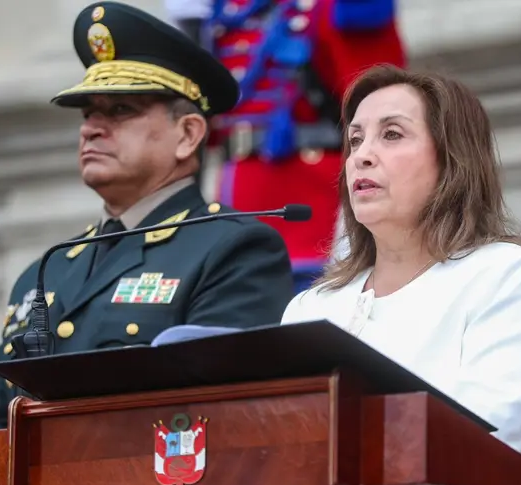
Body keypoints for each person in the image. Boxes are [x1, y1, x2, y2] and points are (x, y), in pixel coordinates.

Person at [0, 2, 296, 485]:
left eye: (120, 110)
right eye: (88, 113)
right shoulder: (48, 271)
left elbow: (205, 420)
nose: (91, 127)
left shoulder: (233, 250)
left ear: (188, 133)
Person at [280, 63, 521, 485]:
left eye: (392, 135)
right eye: (355, 139)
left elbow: (490, 432)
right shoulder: (310, 309)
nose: (361, 155)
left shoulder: (505, 275)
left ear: (451, 159)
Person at [167, 0, 407, 291]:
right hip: (236, 197)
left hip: (313, 202)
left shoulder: (327, 7)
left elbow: (377, 103)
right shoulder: (223, 12)